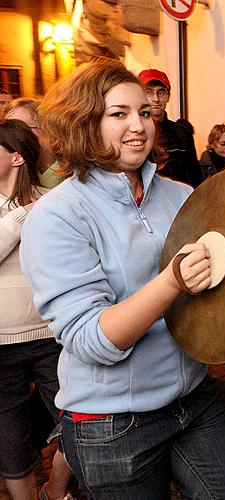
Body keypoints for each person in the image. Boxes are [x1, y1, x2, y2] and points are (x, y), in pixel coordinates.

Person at [21, 59, 225, 498]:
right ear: (83, 123)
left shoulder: (181, 195)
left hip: (194, 399)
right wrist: (172, 282)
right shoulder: (58, 215)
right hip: (112, 422)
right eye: (119, 113)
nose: (139, 125)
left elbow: (215, 296)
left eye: (145, 112)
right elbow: (93, 340)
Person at [0, 119, 73, 500]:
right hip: (1, 343)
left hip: (50, 336)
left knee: (78, 422)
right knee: (10, 434)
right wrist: (22, 213)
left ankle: (54, 490)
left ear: (15, 157)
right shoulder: (34, 208)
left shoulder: (52, 201)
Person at [138, 68, 202, 188]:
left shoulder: (183, 134)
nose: (156, 99)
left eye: (160, 92)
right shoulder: (134, 132)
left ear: (168, 96)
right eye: (149, 92)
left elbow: (195, 176)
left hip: (179, 201)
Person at [4, 98, 63, 188]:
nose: (12, 135)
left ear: (45, 127)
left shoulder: (72, 169)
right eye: (8, 130)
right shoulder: (14, 174)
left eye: (21, 127)